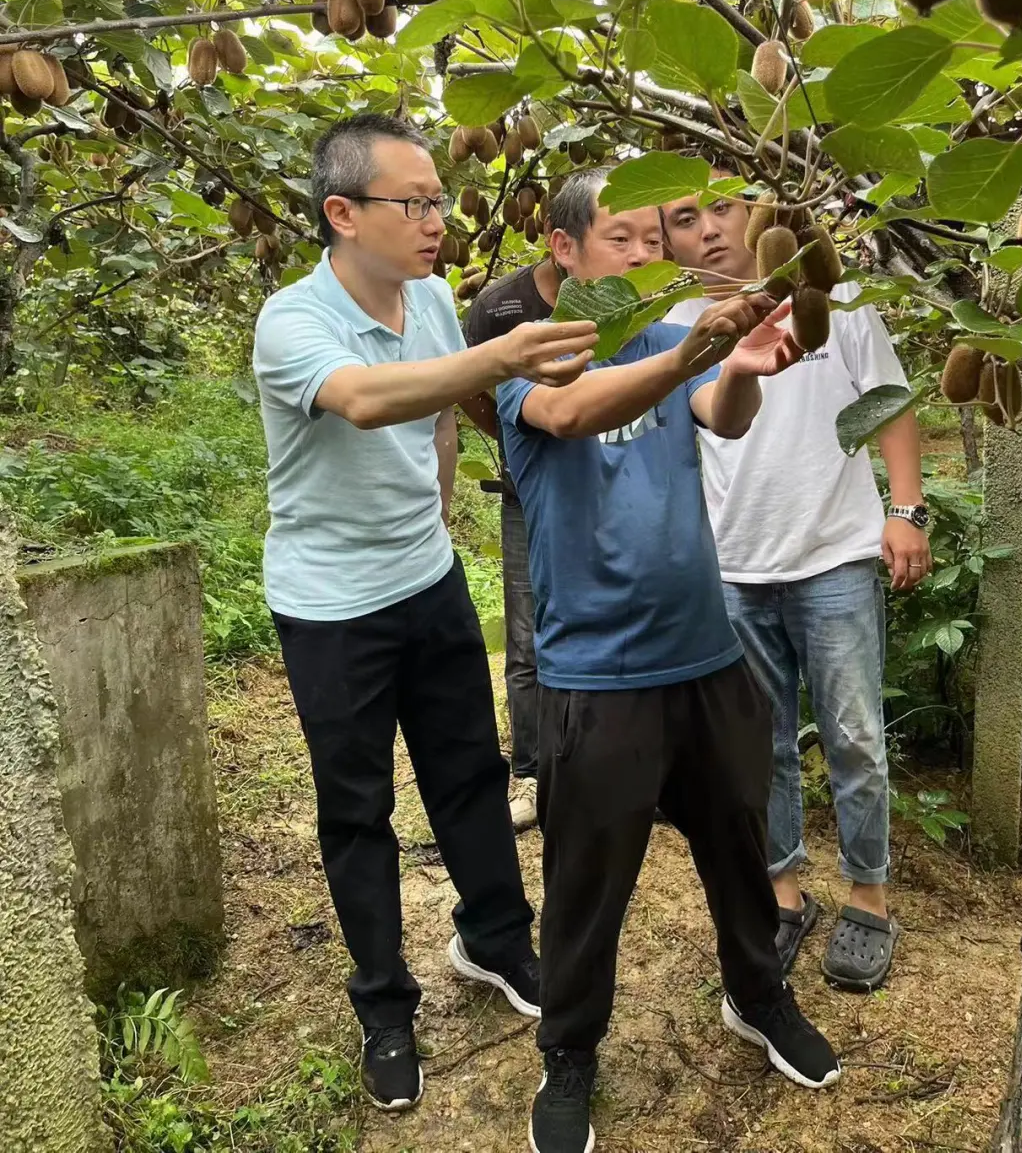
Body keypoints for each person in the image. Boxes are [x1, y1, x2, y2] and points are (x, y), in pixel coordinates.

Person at [252, 113, 598, 1113]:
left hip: (426, 578)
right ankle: (384, 1007)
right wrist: (503, 360)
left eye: (441, 200)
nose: (438, 218)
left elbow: (438, 419)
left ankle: (496, 940)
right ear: (343, 215)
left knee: (470, 771)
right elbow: (365, 400)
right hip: (328, 605)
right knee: (357, 808)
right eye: (417, 203)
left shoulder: (433, 301)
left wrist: (440, 504)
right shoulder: (293, 322)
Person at [497, 170, 841, 1153]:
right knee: (586, 883)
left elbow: (719, 419)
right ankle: (570, 1051)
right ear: (565, 250)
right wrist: (699, 344)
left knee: (741, 841)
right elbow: (572, 417)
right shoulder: (527, 354)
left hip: (704, 657)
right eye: (623, 239)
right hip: (595, 679)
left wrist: (740, 367)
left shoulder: (668, 338)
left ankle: (757, 997)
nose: (648, 256)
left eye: (656, 238)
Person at [662, 180, 932, 993]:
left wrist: (906, 509)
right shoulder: (674, 331)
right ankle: (782, 891)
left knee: (853, 736)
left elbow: (892, 402)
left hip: (836, 554)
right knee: (759, 745)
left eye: (722, 209)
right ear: (666, 239)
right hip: (734, 564)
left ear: (758, 214)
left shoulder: (834, 299)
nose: (708, 230)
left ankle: (870, 898)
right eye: (683, 218)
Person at [460, 254, 560, 833]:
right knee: (526, 638)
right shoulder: (501, 305)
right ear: (561, 243)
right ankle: (530, 772)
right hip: (525, 492)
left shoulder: (627, 294)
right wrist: (507, 430)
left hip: (599, 488)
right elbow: (467, 379)